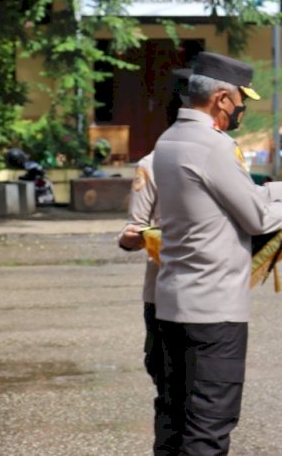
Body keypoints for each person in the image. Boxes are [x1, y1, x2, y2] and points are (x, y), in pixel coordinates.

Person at [152, 51, 282, 455]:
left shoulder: (169, 140)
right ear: (221, 99)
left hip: (175, 302)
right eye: (240, 99)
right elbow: (258, 217)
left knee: (175, 420)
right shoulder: (212, 145)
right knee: (210, 426)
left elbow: (232, 195)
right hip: (214, 312)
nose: (243, 108)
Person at [117, 68, 191, 442]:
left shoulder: (230, 159)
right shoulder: (150, 164)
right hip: (162, 296)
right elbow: (133, 230)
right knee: (169, 391)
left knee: (205, 401)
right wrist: (137, 237)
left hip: (212, 298)